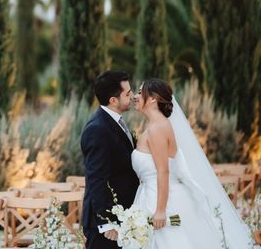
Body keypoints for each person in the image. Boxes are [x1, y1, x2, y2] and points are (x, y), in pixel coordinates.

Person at [131, 78, 254, 248]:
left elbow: (163, 171)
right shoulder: (155, 125)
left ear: (153, 98)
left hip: (160, 200)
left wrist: (160, 210)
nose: (135, 96)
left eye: (139, 92)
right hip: (150, 195)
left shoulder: (157, 128)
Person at [81, 70, 139, 249]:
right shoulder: (97, 129)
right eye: (128, 93)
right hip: (105, 226)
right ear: (113, 100)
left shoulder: (116, 122)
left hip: (123, 216)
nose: (133, 96)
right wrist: (107, 222)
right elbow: (97, 179)